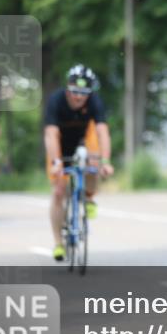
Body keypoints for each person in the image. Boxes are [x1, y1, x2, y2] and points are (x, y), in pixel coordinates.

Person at [44, 65, 115, 261]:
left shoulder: (95, 102)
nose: (78, 97)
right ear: (68, 88)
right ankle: (59, 243)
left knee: (93, 162)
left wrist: (106, 161)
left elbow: (102, 132)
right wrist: (56, 162)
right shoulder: (56, 100)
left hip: (82, 141)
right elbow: (51, 134)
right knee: (59, 191)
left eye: (84, 93)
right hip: (59, 144)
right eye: (75, 92)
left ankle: (89, 196)